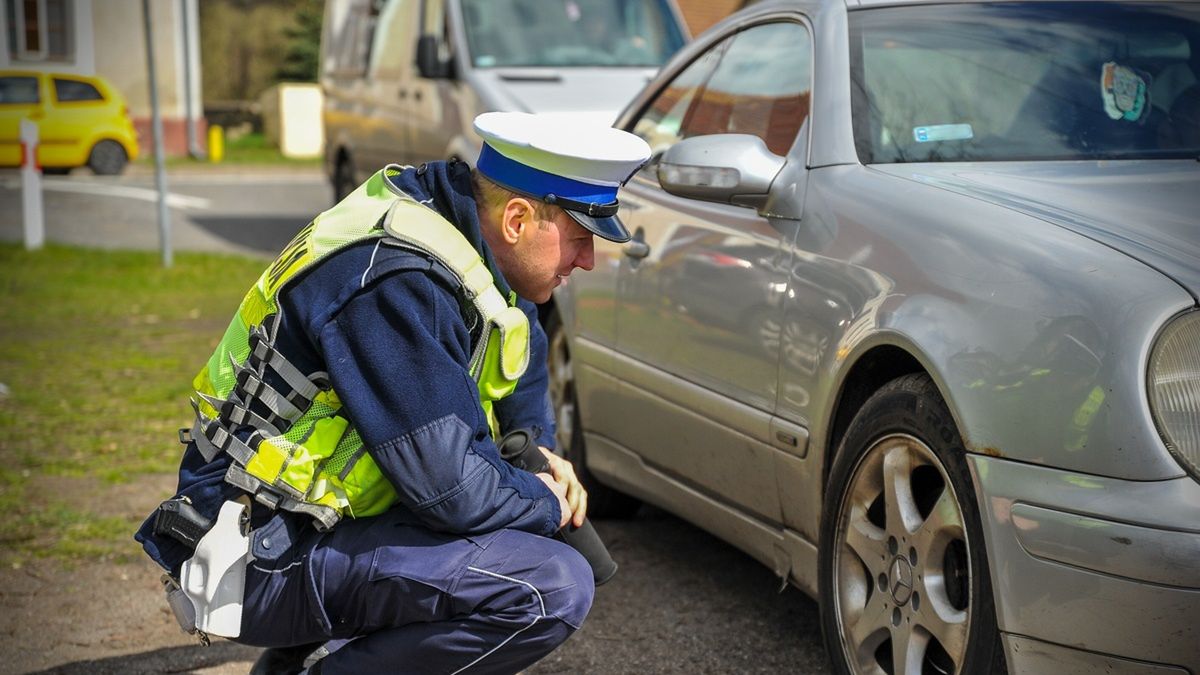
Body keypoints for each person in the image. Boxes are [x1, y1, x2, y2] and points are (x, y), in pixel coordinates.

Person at [135, 111, 651, 674]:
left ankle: (298, 663)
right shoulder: (397, 283)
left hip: (305, 528)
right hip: (253, 553)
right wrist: (544, 500)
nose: (588, 260)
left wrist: (542, 453)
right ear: (518, 220)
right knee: (549, 585)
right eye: (579, 239)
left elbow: (516, 347)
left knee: (505, 532)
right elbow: (454, 494)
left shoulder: (465, 238)